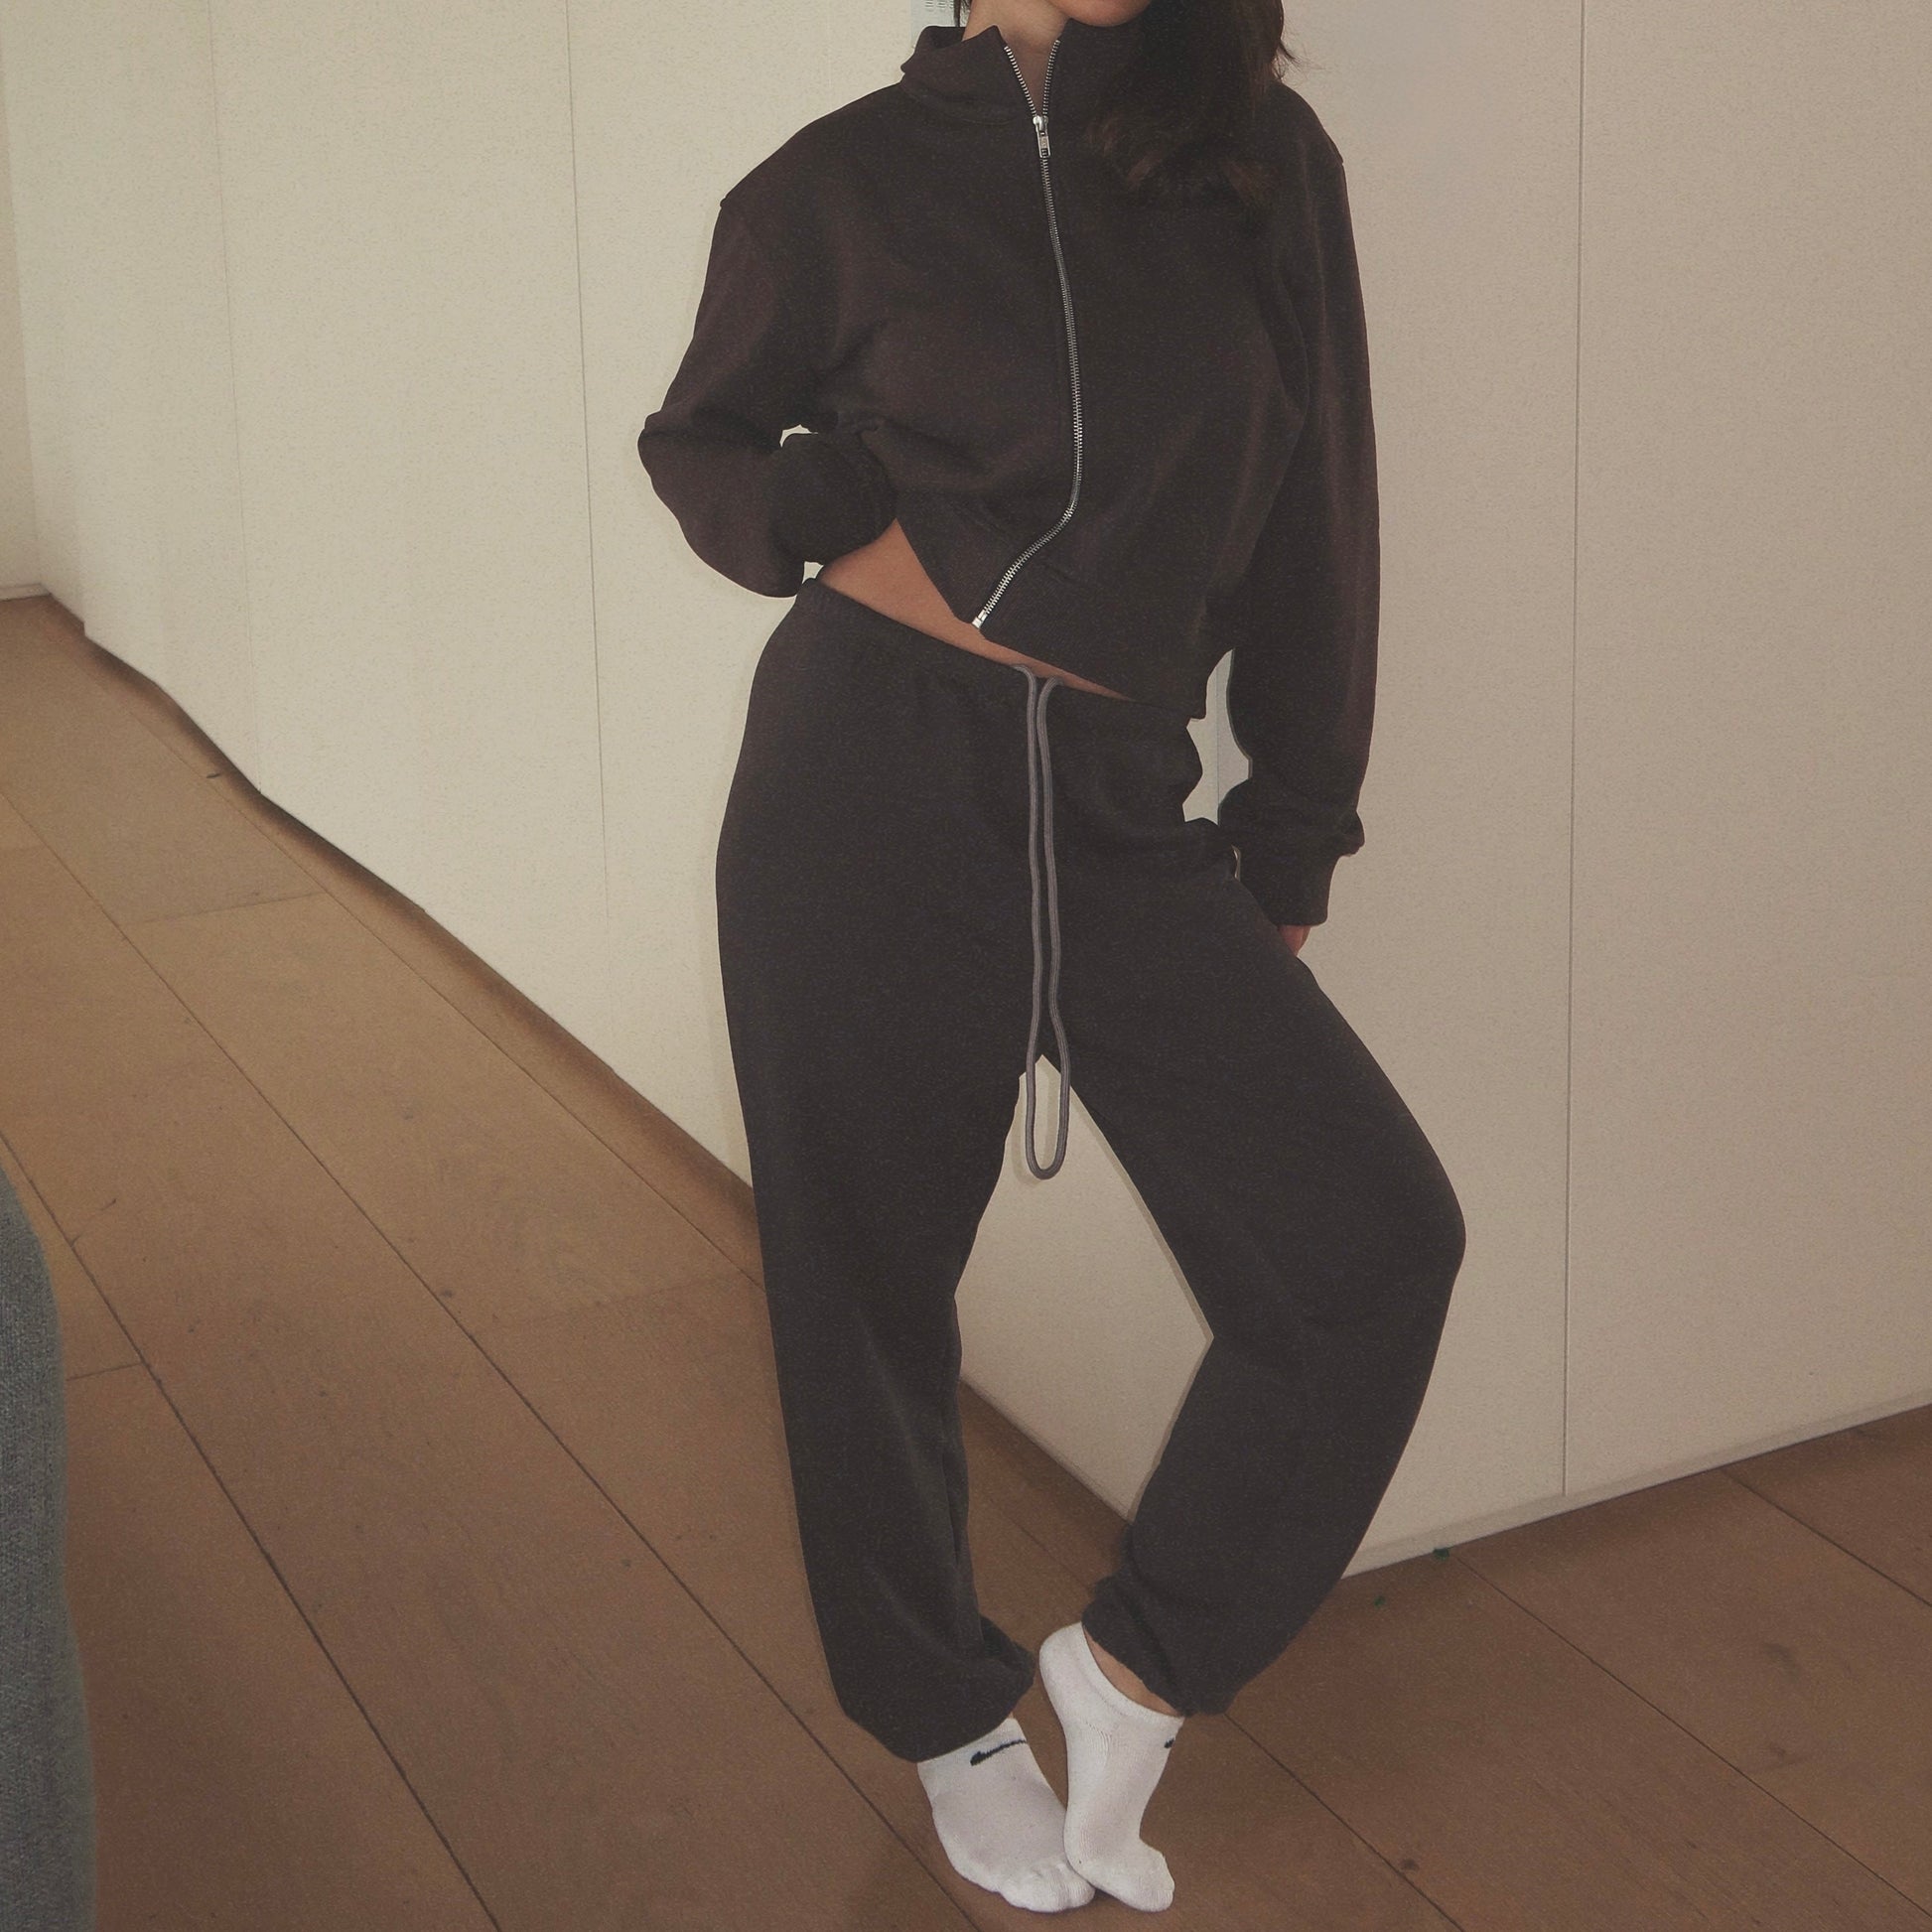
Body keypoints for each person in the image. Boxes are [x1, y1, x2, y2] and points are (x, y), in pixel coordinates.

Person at [637, 0, 1467, 1911]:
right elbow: (701, 441)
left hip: (1117, 802)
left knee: (1366, 1247)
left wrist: (1293, 820)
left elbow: (1321, 515)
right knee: (863, 1288)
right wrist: (801, 507)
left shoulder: (1260, 162)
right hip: (860, 775)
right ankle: (940, 1712)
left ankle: (1132, 1671)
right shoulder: (836, 184)